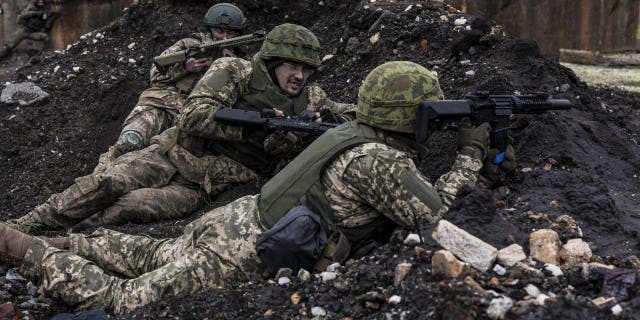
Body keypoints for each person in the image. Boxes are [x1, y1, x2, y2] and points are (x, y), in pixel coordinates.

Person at [0, 61, 515, 315]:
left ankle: (73, 242)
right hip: (245, 250)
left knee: (155, 255)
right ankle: (26, 248)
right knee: (127, 299)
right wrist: (470, 153)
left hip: (235, 220)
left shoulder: (353, 130)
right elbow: (436, 215)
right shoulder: (376, 160)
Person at [7, 23, 356, 233]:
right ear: (273, 61)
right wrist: (253, 127)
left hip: (204, 185)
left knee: (129, 207)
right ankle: (27, 225)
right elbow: (193, 114)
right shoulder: (235, 71)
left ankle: (57, 242)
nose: (300, 75)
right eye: (293, 66)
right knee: (108, 182)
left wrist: (328, 119)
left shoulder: (310, 99)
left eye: (307, 69)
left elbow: (349, 112)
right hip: (173, 153)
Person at [94, 3, 249, 171]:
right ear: (210, 29)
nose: (225, 38)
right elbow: (155, 74)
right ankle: (98, 179)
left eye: (231, 33)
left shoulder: (240, 63)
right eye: (219, 32)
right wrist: (185, 67)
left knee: (154, 162)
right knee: (129, 142)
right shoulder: (189, 45)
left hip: (190, 117)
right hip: (160, 103)